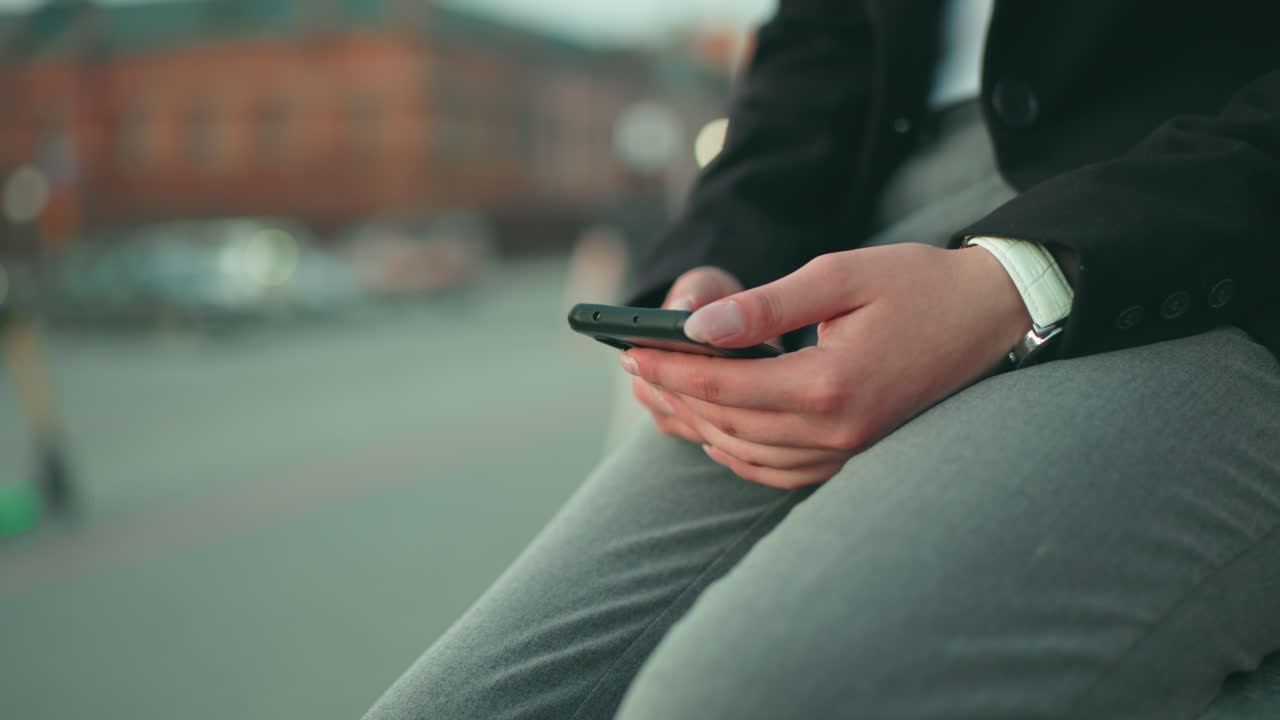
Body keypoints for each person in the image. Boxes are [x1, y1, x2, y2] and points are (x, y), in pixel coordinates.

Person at [364, 1, 1280, 717]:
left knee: (746, 703)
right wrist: (711, 260)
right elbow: (821, 31)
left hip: (1202, 232)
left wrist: (1029, 279)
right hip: (868, 223)